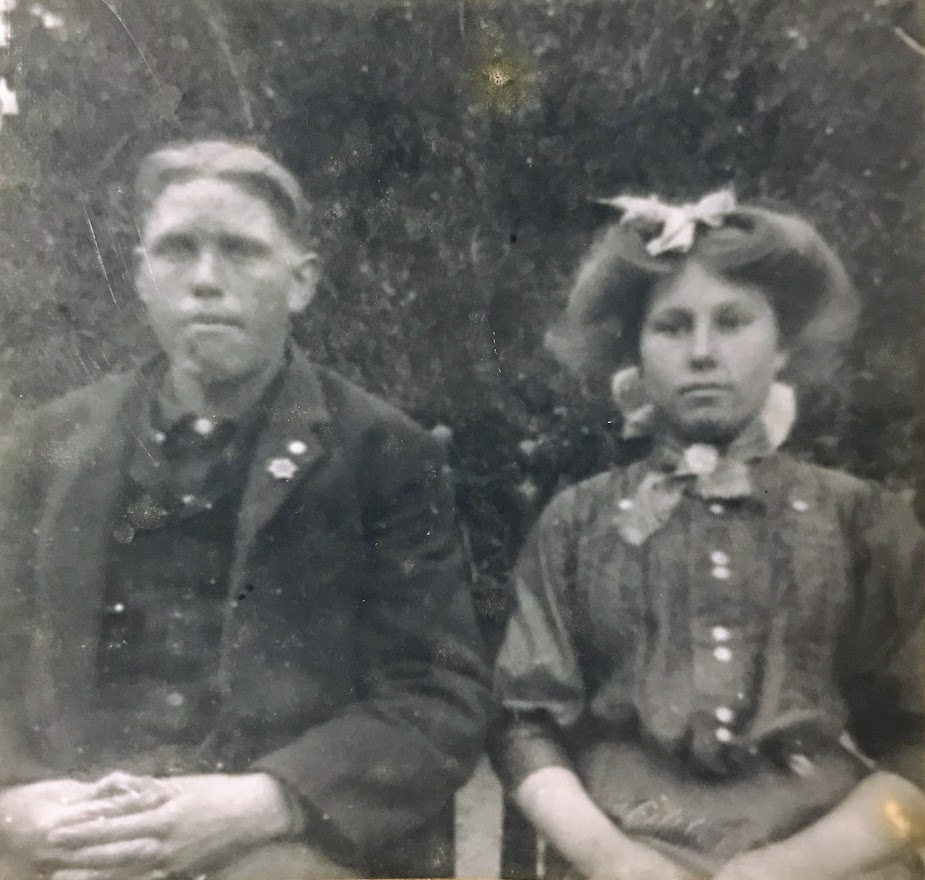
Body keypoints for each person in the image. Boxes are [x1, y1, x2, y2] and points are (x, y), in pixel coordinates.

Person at [0, 139, 491, 880]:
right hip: (71, 816)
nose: (205, 281)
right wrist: (15, 800)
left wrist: (266, 801)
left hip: (273, 838)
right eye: (177, 251)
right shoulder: (49, 444)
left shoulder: (381, 451)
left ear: (300, 283)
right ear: (139, 278)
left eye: (239, 252)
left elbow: (438, 696)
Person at [491, 191, 925, 879]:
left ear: (783, 342)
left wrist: (789, 867)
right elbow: (525, 725)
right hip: (627, 853)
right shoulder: (577, 521)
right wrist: (615, 862)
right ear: (631, 351)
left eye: (732, 322)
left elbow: (916, 738)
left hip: (822, 859)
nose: (701, 352)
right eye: (670, 326)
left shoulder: (857, 518)